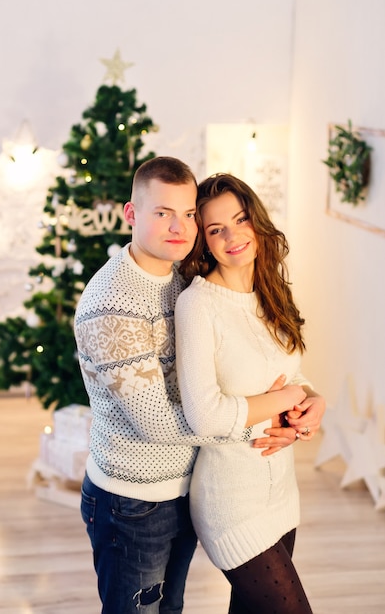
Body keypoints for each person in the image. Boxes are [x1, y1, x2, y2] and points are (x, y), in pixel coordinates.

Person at [74, 157, 321, 614]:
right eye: (163, 212)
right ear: (132, 214)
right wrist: (268, 417)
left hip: (183, 487)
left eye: (188, 214)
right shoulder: (112, 305)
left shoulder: (176, 278)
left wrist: (305, 400)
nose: (179, 226)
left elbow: (263, 371)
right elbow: (159, 424)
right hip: (133, 500)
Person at [175, 173, 326, 614]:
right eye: (216, 229)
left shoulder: (270, 292)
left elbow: (289, 376)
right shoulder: (198, 305)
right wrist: (285, 400)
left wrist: (312, 403)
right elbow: (204, 417)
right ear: (203, 241)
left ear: (256, 221)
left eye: (240, 220)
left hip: (281, 493)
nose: (233, 236)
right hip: (231, 501)